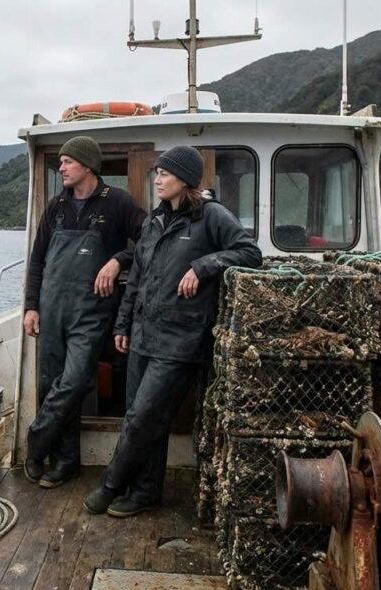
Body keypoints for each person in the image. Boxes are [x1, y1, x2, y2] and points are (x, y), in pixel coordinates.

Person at [84, 145, 262, 516]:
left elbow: (249, 252)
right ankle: (146, 492)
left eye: (165, 173)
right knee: (146, 416)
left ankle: (111, 485)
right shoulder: (154, 221)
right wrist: (123, 323)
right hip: (143, 333)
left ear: (186, 179)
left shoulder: (211, 217)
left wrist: (204, 265)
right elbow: (138, 280)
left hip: (180, 338)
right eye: (158, 173)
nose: (158, 179)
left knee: (141, 417)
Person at [23, 136, 146, 488]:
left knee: (74, 381)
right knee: (51, 386)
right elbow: (37, 261)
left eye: (67, 162)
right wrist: (32, 306)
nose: (61, 167)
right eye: (59, 161)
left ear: (88, 166)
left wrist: (118, 259)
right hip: (50, 309)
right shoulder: (55, 208)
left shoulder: (117, 203)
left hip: (90, 313)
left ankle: (35, 444)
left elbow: (151, 241)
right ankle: (65, 461)